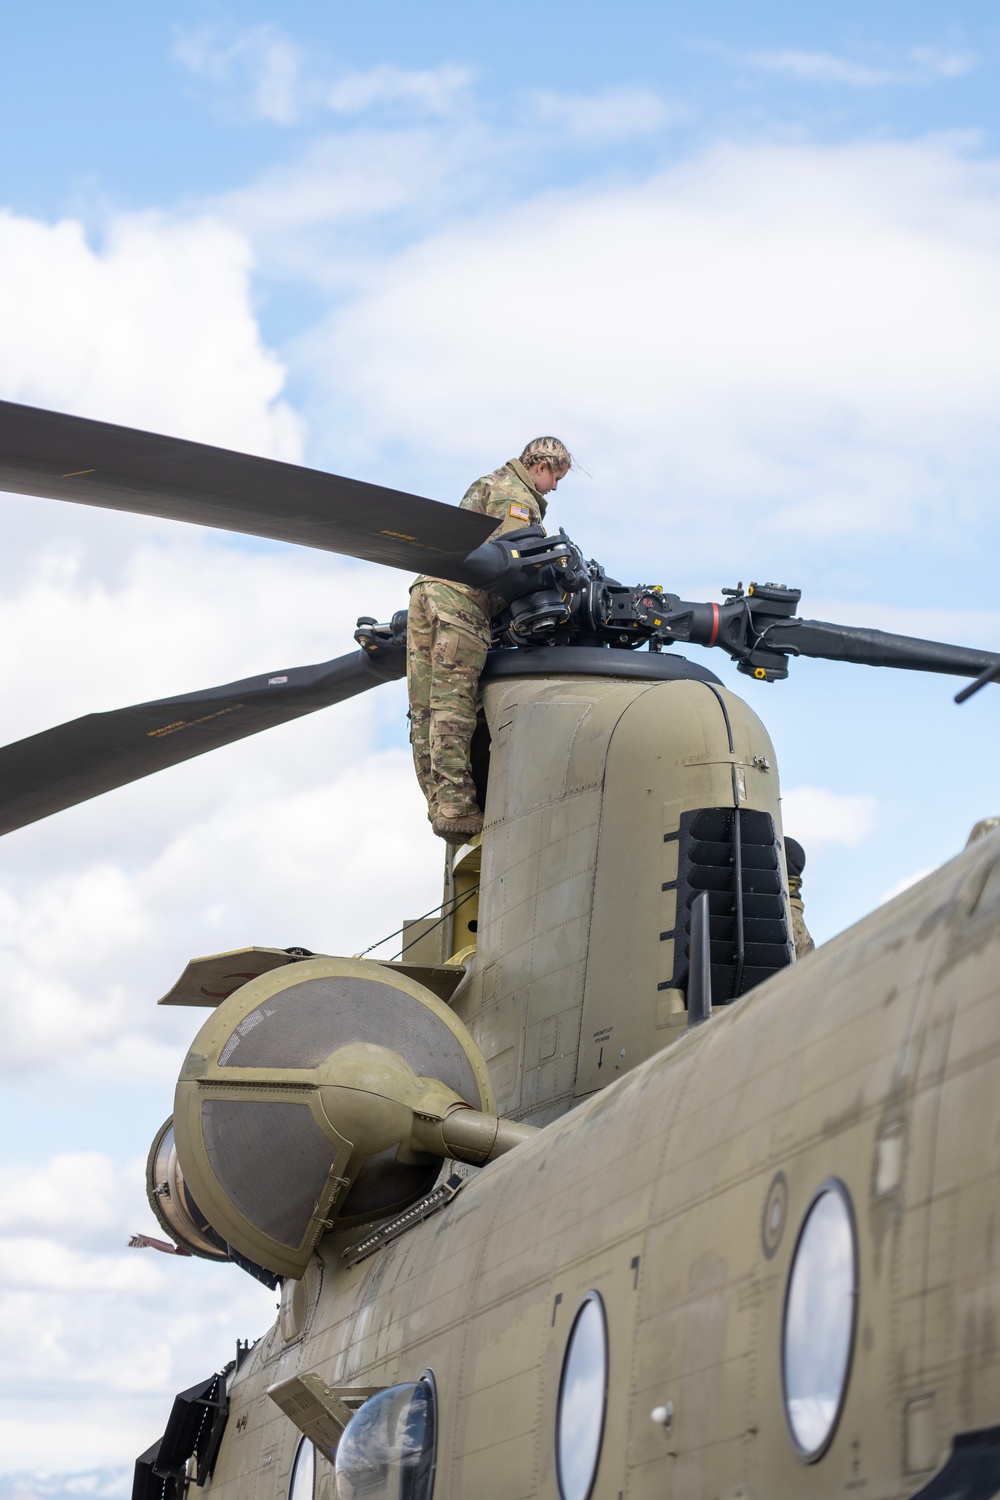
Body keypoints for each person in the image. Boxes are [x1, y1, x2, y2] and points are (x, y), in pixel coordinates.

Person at [407, 437, 572, 843]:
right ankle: (458, 807)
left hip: (426, 590)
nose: (554, 487)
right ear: (540, 466)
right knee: (455, 703)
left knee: (425, 706)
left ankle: (439, 802)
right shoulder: (517, 497)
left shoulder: (486, 483)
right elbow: (519, 559)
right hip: (461, 600)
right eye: (555, 476)